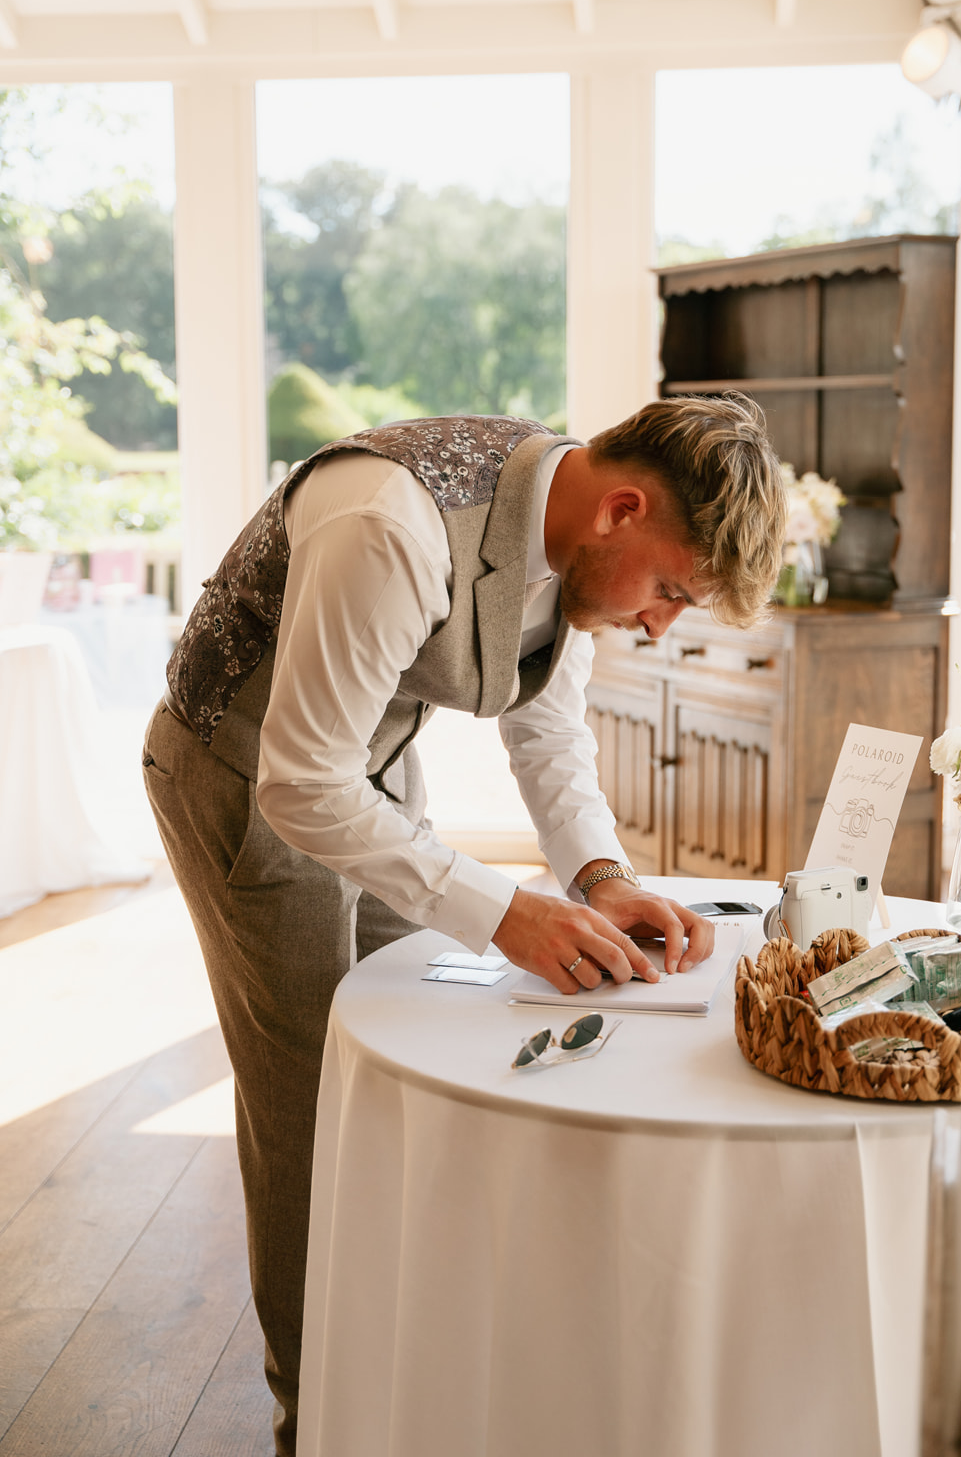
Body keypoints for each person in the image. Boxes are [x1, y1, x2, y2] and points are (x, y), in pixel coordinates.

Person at [142, 394, 786, 1455]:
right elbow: (301, 787)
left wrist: (597, 873)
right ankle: (318, 1417)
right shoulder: (388, 523)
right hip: (240, 770)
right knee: (313, 1103)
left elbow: (542, 720)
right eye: (669, 590)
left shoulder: (571, 534)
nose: (656, 624)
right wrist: (504, 913)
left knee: (416, 1057)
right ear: (620, 507)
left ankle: (416, 1370)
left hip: (365, 770)